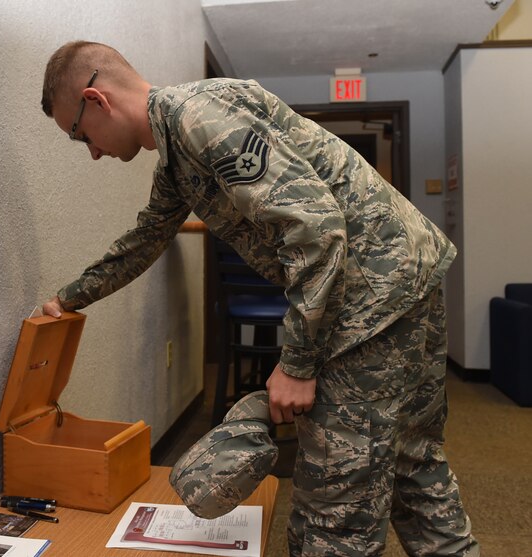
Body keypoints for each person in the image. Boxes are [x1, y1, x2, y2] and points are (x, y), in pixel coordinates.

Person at [38, 40, 479, 556]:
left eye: (79, 133)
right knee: (413, 461)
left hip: (369, 301)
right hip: (406, 283)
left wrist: (297, 364)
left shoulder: (198, 120)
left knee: (336, 504)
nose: (91, 151)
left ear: (97, 99)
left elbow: (316, 231)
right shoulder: (182, 146)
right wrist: (69, 299)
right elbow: (145, 239)